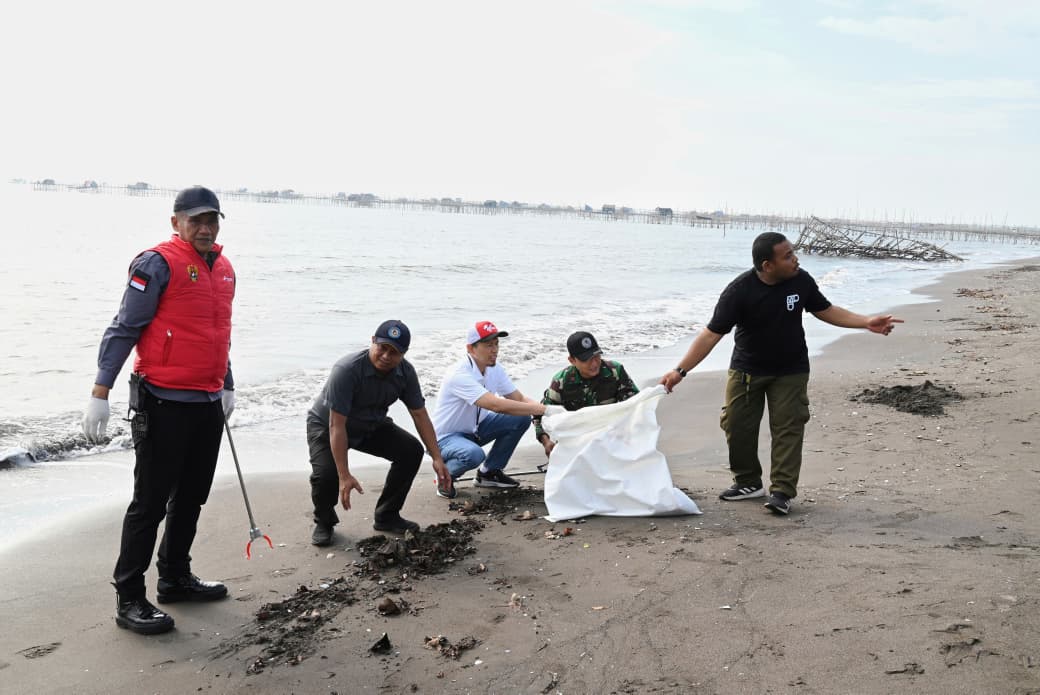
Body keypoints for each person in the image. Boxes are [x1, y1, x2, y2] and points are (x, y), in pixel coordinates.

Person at [81, 186, 237, 636]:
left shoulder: (224, 268)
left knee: (191, 496)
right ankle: (129, 597)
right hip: (163, 402)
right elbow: (124, 328)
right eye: (196, 220)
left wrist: (227, 383)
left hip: (207, 402)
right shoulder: (156, 263)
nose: (205, 228)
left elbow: (217, 333)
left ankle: (174, 577)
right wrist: (100, 391)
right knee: (150, 503)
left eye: (212, 220)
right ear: (176, 222)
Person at [659, 232, 902, 516]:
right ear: (767, 265)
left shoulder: (801, 281)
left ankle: (782, 492)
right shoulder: (739, 291)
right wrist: (680, 370)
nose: (795, 259)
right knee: (736, 425)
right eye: (787, 256)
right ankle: (748, 482)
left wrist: (866, 322)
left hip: (790, 369)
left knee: (788, 427)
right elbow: (711, 334)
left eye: (793, 253)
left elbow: (826, 310)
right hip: (747, 370)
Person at [306, 320, 450, 546]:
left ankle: (387, 515)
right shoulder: (347, 370)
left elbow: (419, 414)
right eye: (382, 347)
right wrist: (344, 475)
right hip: (327, 426)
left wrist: (437, 457)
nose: (386, 356)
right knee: (326, 475)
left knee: (411, 451)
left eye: (394, 352)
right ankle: (324, 521)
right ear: (373, 341)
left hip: (370, 424)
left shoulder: (406, 373)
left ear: (404, 354)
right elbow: (337, 426)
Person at [431, 320, 552, 498]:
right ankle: (444, 476)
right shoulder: (459, 374)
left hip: (475, 429)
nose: (494, 350)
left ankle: (488, 473)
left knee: (520, 418)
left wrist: (548, 410)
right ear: (471, 348)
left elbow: (518, 398)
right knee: (473, 455)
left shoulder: (494, 369)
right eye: (488, 345)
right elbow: (496, 405)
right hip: (446, 439)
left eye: (496, 344)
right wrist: (544, 410)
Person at [533, 331, 639, 458]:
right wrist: (546, 442)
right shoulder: (561, 382)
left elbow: (635, 404)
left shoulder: (615, 372)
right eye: (586, 360)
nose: (594, 363)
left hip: (611, 436)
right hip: (576, 442)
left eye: (596, 356)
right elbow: (541, 415)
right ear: (572, 360)